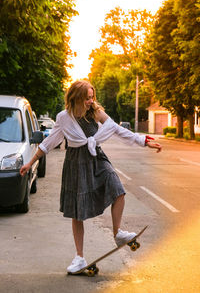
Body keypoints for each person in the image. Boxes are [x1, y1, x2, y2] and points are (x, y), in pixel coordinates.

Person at [20, 80, 162, 273]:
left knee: (117, 188)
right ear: (77, 97)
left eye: (92, 97)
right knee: (78, 212)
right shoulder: (64, 118)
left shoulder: (95, 112)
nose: (91, 101)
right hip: (75, 164)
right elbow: (49, 142)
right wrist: (30, 163)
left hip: (97, 158)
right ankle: (79, 257)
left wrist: (143, 140)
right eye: (87, 98)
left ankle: (118, 233)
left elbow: (116, 129)